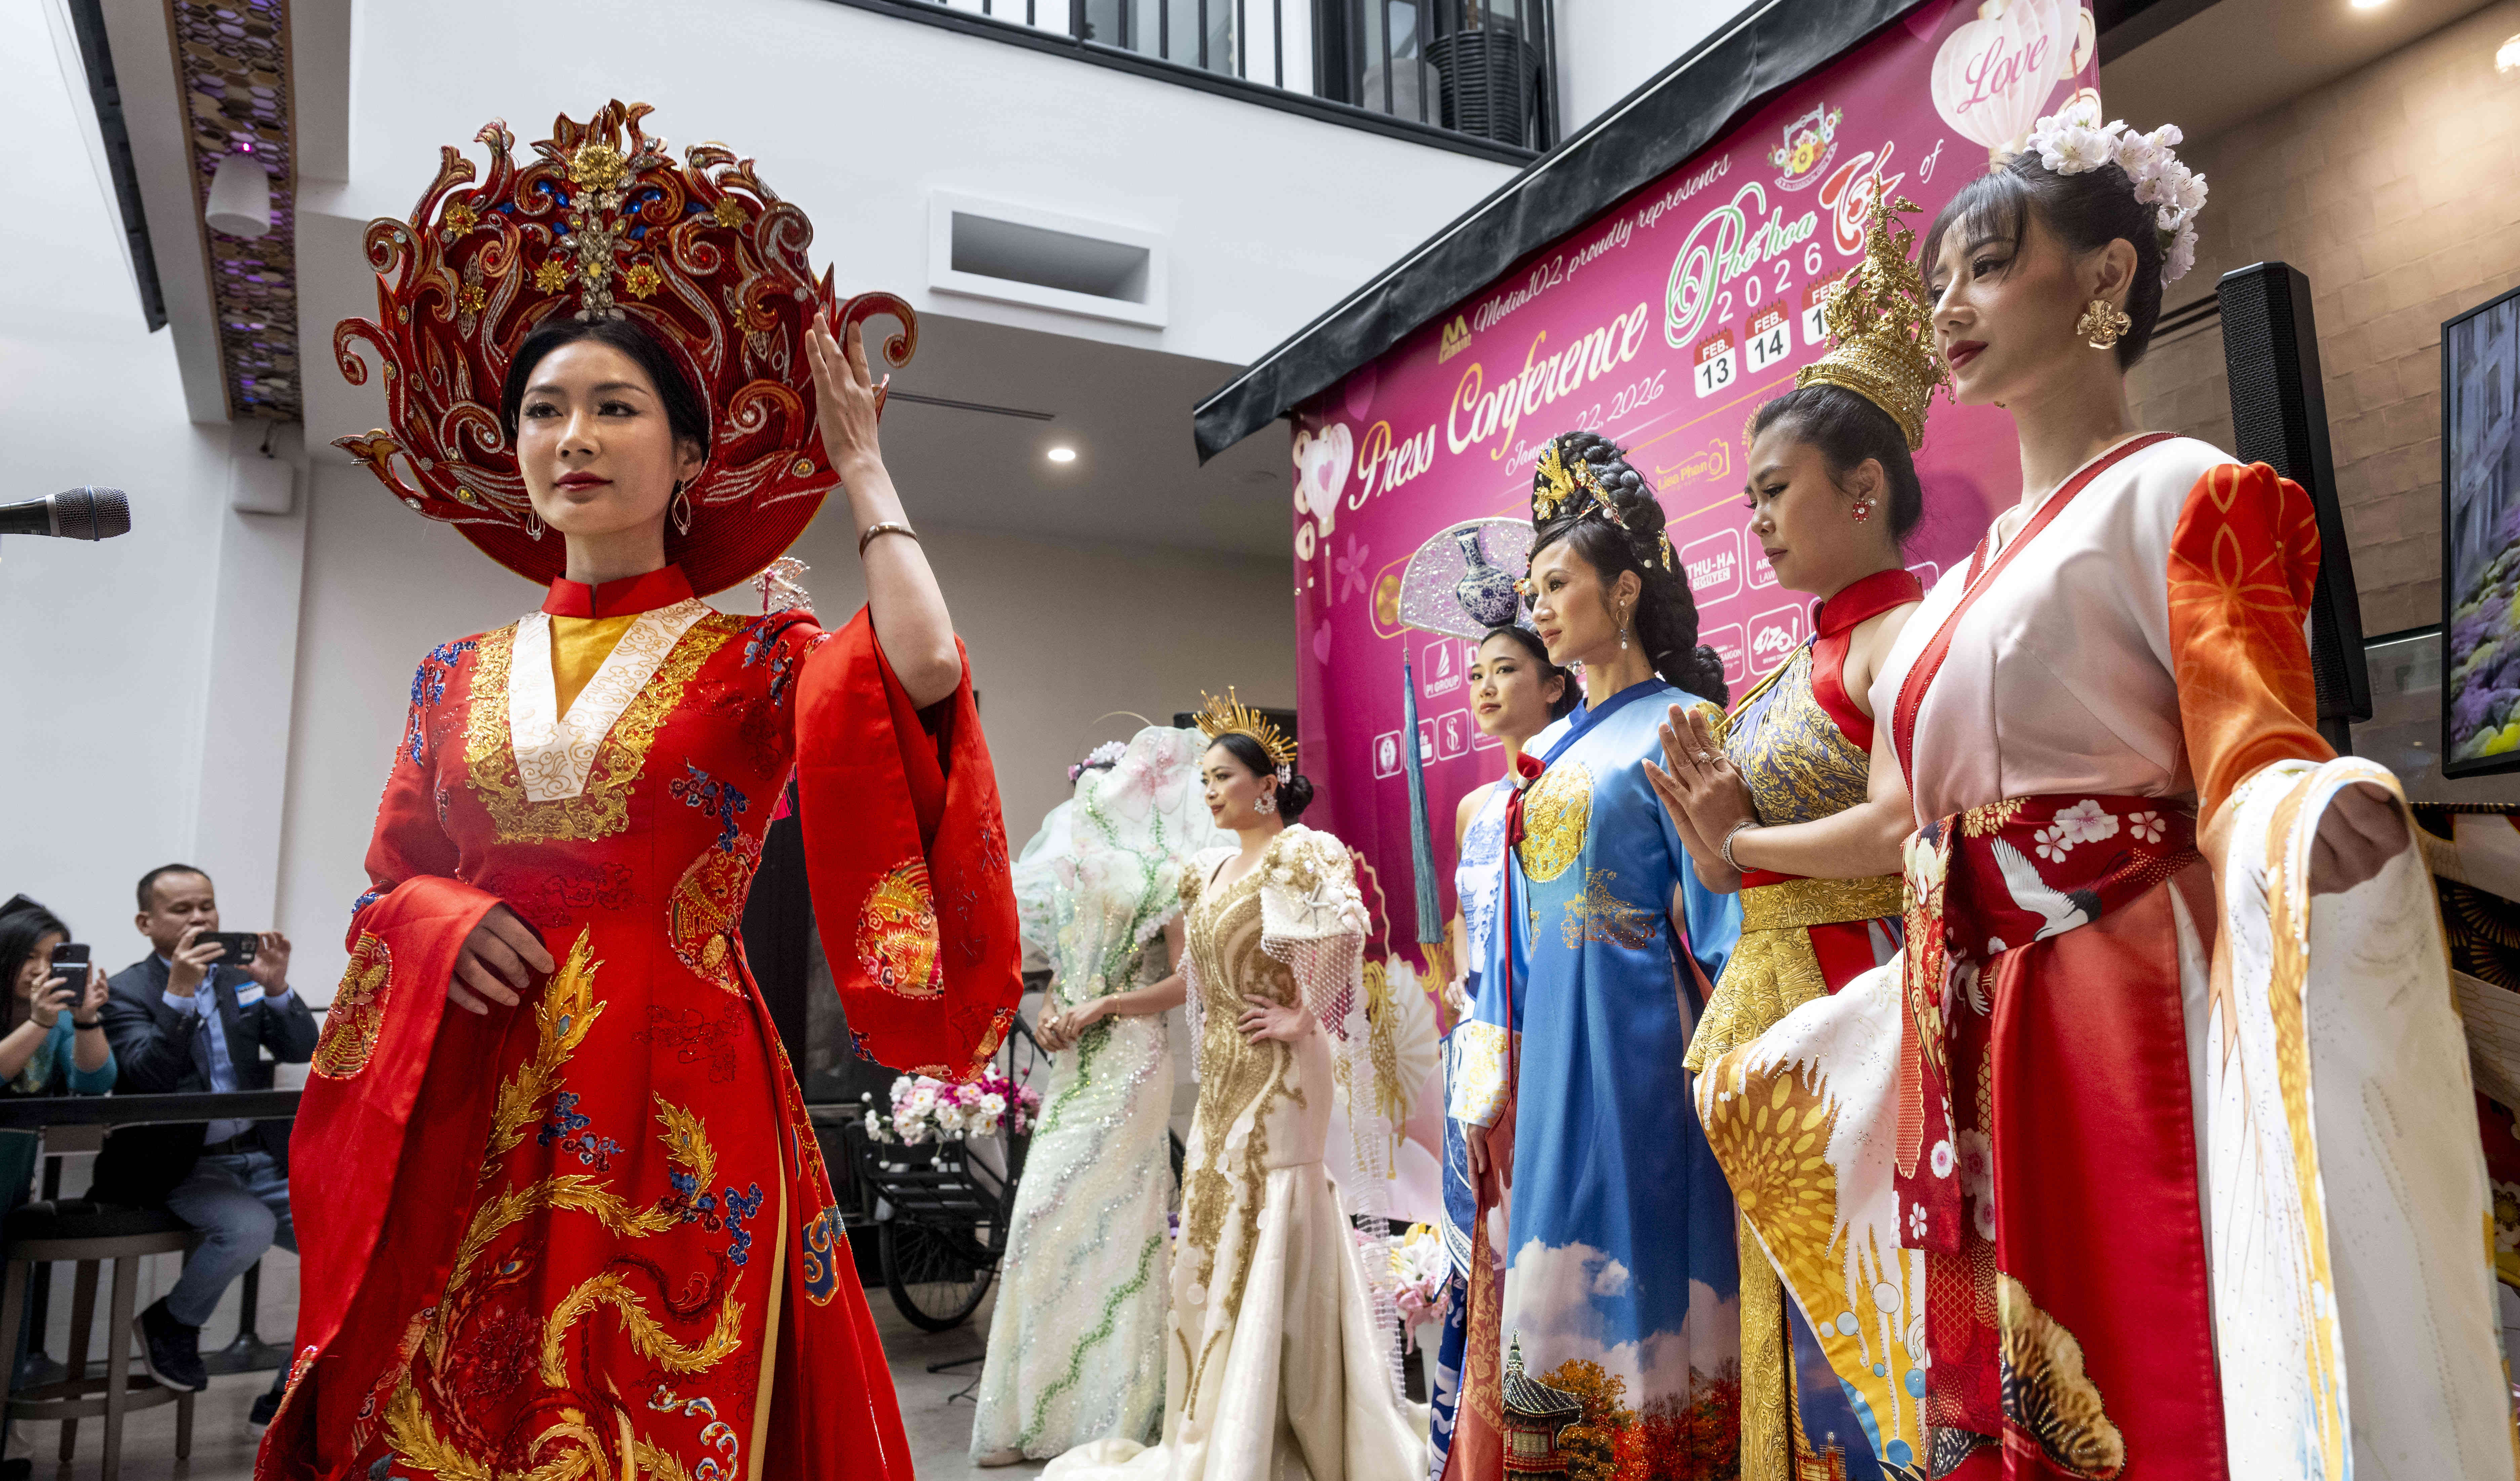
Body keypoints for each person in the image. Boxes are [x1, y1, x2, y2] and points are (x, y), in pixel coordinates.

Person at [1691, 101, 2504, 1476]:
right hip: (1980, 1007)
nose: (1948, 301)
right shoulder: (1959, 581)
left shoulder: (2183, 490)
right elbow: (1914, 811)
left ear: (2105, 280)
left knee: (2144, 1349)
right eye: (1939, 275)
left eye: (1988, 264)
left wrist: (2306, 815)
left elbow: (2246, 738)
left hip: (2117, 993)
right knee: (2009, 1368)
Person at [256, 104, 1022, 1480]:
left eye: (615, 408)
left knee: (655, 1408)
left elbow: (917, 681)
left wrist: (864, 475)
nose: (574, 438)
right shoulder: (454, 674)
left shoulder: (751, 659)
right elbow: (395, 880)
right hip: (479, 1078)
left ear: (685, 456)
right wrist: (436, 920)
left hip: (676, 1081)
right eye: (544, 411)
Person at [1643, 195, 1937, 1481]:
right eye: (1750, 497)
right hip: (1772, 992)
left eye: (1776, 492)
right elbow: (1726, 859)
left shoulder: (1898, 640)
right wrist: (1712, 845)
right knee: (1788, 1300)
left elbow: (1895, 818)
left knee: (1870, 1285)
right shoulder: (1786, 666)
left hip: (1857, 989)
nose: (1755, 520)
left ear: (1861, 487)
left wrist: (1740, 847)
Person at [1450, 430, 1742, 1477]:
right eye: (1530, 587)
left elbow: (1725, 917)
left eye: (1556, 583)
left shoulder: (1688, 725)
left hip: (1647, 1055)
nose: (1537, 604)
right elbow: (1516, 942)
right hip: (1555, 1062)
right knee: (1558, 1269)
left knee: (1651, 1269)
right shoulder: (1552, 755)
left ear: (1623, 593)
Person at [1045, 694, 1425, 1481]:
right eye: (1205, 779)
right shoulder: (1209, 870)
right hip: (1223, 1078)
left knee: (1276, 1218)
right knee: (1222, 1229)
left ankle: (1285, 1423)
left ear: (1267, 783)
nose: (1209, 791)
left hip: (1284, 1080)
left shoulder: (1302, 854)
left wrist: (1307, 1022)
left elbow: (1341, 948)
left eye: (1222, 777)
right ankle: (1222, 1424)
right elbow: (1197, 982)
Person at [971, 726, 1224, 1465]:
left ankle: (1113, 1410)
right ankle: (1030, 1411)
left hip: (1133, 1059)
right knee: (1044, 1214)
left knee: (1118, 1222)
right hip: (1076, 1057)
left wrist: (1107, 1008)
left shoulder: (1172, 872)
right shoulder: (1075, 867)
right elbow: (1059, 967)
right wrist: (1053, 1008)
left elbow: (1189, 982)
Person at [1431, 625, 1571, 1481]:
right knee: (1484, 1249)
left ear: (1556, 684)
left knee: (1545, 1248)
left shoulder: (1567, 782)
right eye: (1475, 675)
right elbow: (1462, 914)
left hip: (1550, 1038)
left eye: (1505, 671)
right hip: (1479, 1046)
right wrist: (1457, 975)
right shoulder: (1473, 806)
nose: (1483, 688)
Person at [90, 863, 310, 1401]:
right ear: (146, 922)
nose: (199, 918)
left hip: (260, 1156)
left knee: (348, 1244)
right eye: (181, 909)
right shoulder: (124, 992)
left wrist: (278, 988)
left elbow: (302, 1049)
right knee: (249, 1228)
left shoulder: (241, 980)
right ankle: (172, 1321)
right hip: (181, 1165)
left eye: (206, 906)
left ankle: (291, 1392)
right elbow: (148, 1076)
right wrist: (180, 995)